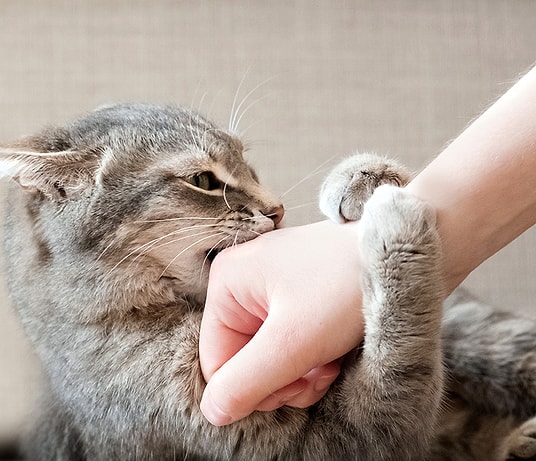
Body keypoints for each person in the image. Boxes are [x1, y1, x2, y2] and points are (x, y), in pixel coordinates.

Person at [198, 65, 536, 427]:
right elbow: (364, 443)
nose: (274, 204)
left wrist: (364, 236)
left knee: (481, 343)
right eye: (201, 180)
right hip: (453, 438)